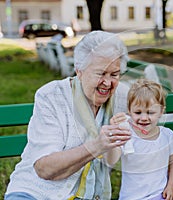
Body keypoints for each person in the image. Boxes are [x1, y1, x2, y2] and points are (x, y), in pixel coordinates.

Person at [5, 31, 131, 200]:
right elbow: (44, 168)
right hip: (35, 193)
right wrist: (96, 146)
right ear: (79, 71)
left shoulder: (122, 96)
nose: (108, 83)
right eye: (100, 73)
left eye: (114, 74)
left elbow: (152, 114)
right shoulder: (52, 95)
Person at [110, 79, 173, 200]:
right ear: (129, 111)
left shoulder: (167, 136)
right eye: (138, 112)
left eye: (150, 113)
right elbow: (112, 159)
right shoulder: (126, 134)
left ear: (161, 111)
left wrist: (170, 186)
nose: (144, 118)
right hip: (131, 197)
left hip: (158, 195)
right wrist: (114, 135)